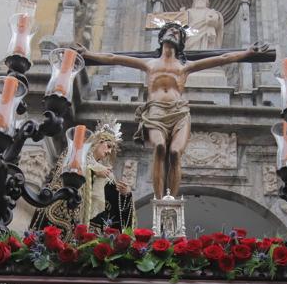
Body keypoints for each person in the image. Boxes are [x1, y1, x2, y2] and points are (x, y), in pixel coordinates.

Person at [75, 25, 269, 199]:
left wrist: (247, 53)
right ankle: (160, 200)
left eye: (177, 32)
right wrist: (88, 54)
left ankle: (171, 200)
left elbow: (222, 58)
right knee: (160, 147)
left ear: (181, 43)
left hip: (179, 112)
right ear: (161, 37)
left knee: (175, 152)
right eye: (170, 31)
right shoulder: (150, 64)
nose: (173, 33)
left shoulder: (184, 66)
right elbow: (114, 58)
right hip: (156, 112)